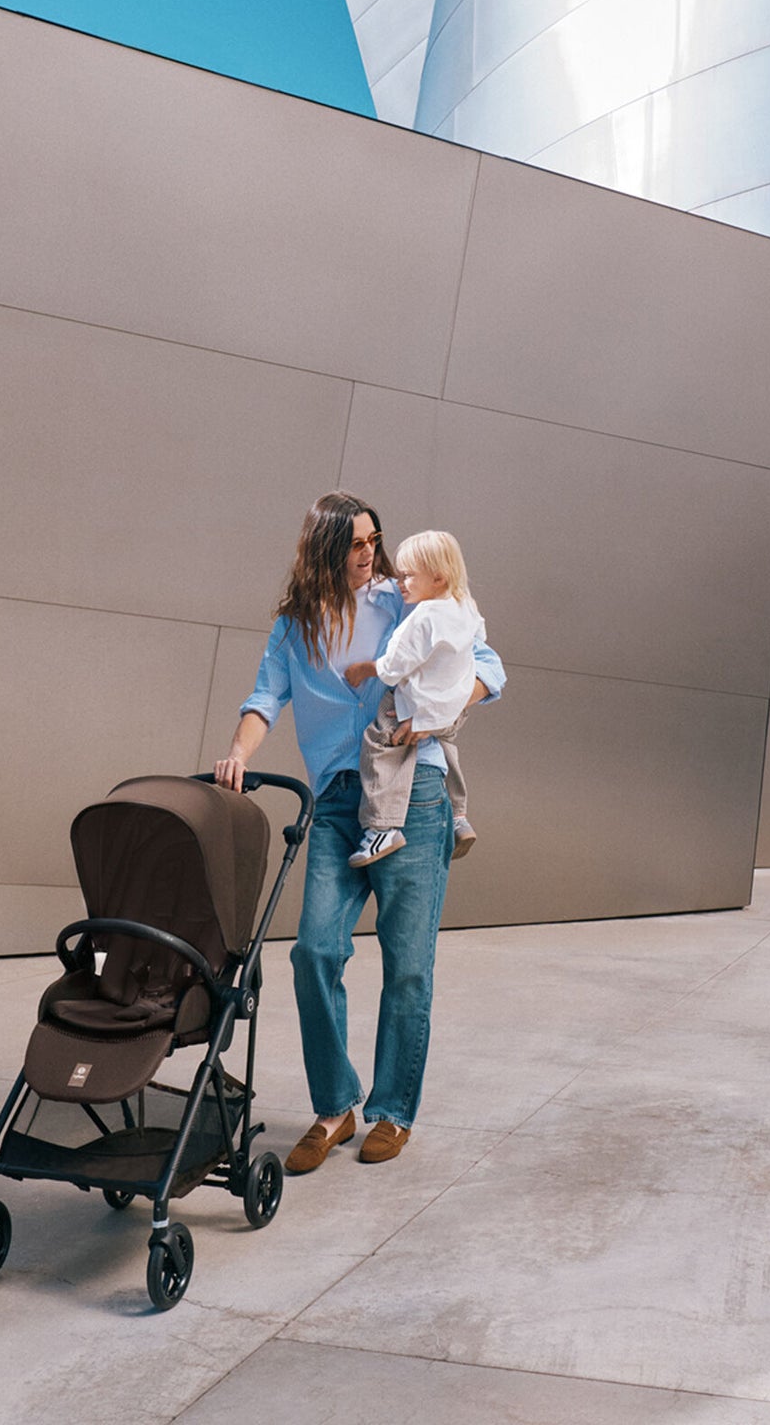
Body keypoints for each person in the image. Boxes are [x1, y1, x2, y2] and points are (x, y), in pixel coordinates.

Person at [213, 493, 504, 1174]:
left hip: (415, 792)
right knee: (314, 952)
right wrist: (238, 753)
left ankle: (393, 1110)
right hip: (338, 801)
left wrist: (435, 717)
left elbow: (487, 665)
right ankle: (335, 1106)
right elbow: (264, 698)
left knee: (408, 965)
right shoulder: (295, 627)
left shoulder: (404, 600)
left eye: (374, 539)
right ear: (324, 549)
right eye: (355, 543)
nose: (370, 553)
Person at [343, 529, 483, 869]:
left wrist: (363, 669)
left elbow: (392, 669)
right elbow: (478, 639)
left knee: (379, 745)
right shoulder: (466, 607)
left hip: (413, 707)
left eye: (407, 576)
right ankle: (459, 814)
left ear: (438, 578)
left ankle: (383, 828)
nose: (400, 582)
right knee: (446, 747)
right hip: (452, 709)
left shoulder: (422, 617)